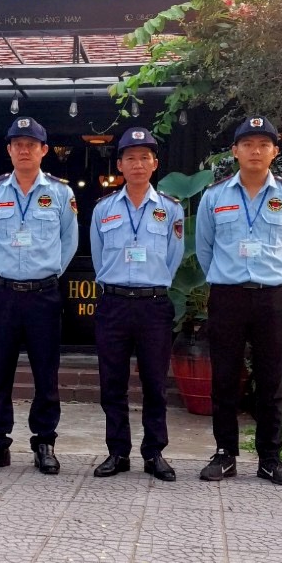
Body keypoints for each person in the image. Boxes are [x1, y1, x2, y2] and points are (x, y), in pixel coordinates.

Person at [196, 115, 282, 486]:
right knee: (225, 378)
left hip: (272, 298)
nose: (255, 150)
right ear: (235, 151)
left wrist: (271, 276)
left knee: (271, 379)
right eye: (247, 144)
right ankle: (225, 453)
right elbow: (205, 249)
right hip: (227, 296)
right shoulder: (215, 196)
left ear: (275, 151)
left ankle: (270, 458)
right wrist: (229, 277)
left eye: (263, 144)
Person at [0, 115, 78, 475]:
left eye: (31, 145)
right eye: (17, 145)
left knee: (45, 373)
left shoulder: (61, 193)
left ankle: (44, 443)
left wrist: (50, 273)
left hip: (43, 295)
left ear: (44, 150)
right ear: (8, 150)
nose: (24, 150)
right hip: (3, 293)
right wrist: (6, 268)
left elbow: (69, 240)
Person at [91, 126, 184, 481]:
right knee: (111, 382)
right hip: (114, 304)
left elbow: (172, 259)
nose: (138, 163)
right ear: (120, 165)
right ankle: (117, 452)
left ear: (155, 163)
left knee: (155, 383)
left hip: (153, 305)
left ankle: (154, 452)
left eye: (145, 157)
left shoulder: (170, 210)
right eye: (131, 157)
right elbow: (100, 259)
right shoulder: (104, 209)